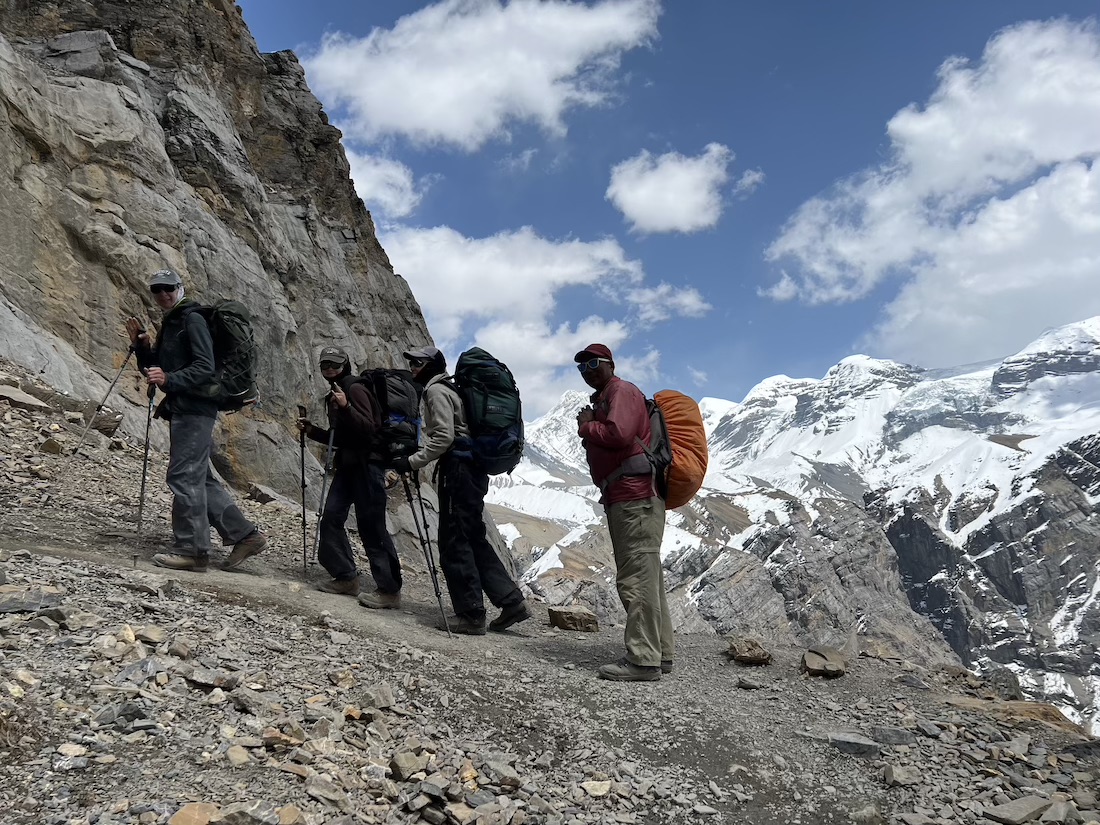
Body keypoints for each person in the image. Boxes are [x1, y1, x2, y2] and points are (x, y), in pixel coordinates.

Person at [124, 269, 268, 572]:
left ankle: (192, 550)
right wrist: (143, 349)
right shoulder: (174, 321)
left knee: (183, 477)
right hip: (186, 406)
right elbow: (158, 372)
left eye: (168, 288)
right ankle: (245, 536)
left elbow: (204, 367)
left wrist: (169, 376)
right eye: (157, 290)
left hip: (195, 407)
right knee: (199, 477)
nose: (163, 294)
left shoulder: (192, 318)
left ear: (180, 288)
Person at [391, 346, 530, 635]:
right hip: (473, 470)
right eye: (412, 362)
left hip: (457, 469)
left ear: (432, 365)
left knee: (455, 541)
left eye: (419, 362)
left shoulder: (436, 392)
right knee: (473, 536)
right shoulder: (453, 389)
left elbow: (443, 436)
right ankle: (510, 601)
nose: (414, 366)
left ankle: (470, 615)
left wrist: (411, 462)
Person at [574, 343, 673, 681]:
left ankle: (644, 660)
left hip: (635, 497)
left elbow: (619, 433)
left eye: (594, 363)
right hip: (629, 497)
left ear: (610, 364)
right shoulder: (608, 395)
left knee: (637, 579)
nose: (588, 370)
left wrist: (586, 426)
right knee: (648, 577)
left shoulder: (622, 391)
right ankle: (660, 653)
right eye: (582, 366)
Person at [297, 347, 402, 607]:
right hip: (349, 465)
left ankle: (389, 591)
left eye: (334, 363)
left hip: (368, 466)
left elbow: (370, 429)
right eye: (324, 365)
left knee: (371, 526)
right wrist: (312, 431)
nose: (329, 368)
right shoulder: (335, 392)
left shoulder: (354, 389)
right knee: (331, 516)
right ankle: (345, 576)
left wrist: (345, 407)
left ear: (345, 364)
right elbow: (342, 438)